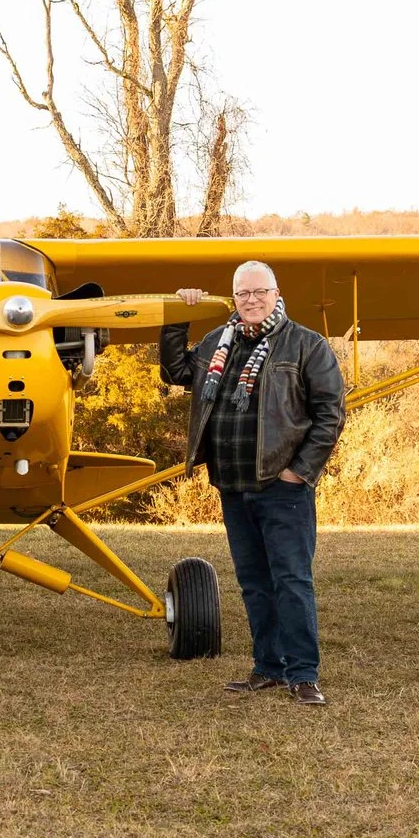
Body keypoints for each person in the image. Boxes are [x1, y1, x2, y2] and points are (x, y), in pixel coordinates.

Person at [164, 262, 347, 705]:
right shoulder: (216, 343)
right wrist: (176, 315)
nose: (250, 299)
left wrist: (299, 471)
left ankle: (303, 674)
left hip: (283, 487)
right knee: (253, 582)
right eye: (242, 293)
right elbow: (175, 372)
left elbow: (330, 414)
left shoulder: (306, 345)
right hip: (232, 484)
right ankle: (267, 667)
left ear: (276, 293)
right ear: (234, 298)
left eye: (258, 291)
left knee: (291, 580)